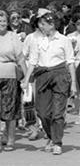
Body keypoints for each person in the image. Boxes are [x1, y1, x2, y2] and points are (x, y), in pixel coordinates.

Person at [22, 10, 78, 155]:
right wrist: (26, 80)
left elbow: (70, 62)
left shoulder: (63, 40)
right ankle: (51, 135)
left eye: (44, 24)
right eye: (40, 24)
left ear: (52, 24)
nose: (41, 27)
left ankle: (57, 142)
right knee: (42, 112)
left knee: (58, 112)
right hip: (42, 76)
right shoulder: (37, 40)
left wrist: (73, 84)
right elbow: (33, 61)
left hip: (60, 75)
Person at [0, 10, 26, 152]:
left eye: (4, 21)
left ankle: (10, 140)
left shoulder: (13, 37)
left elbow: (20, 58)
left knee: (10, 109)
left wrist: (26, 77)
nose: (2, 24)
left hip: (10, 75)